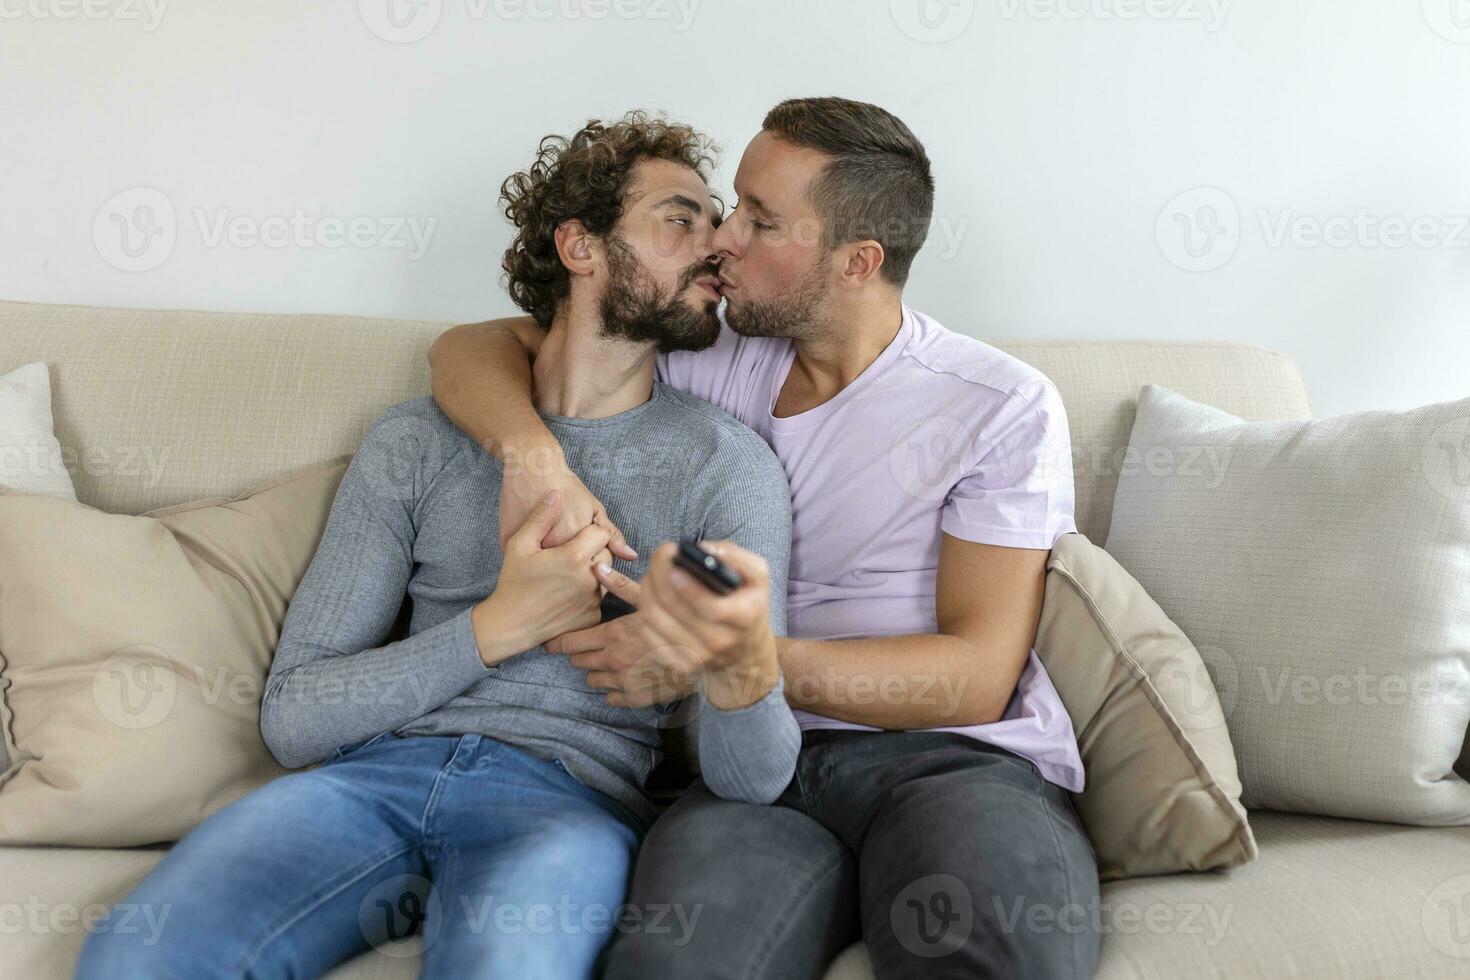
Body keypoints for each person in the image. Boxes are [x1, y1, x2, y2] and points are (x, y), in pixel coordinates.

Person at [77, 111, 799, 980]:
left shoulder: (729, 467)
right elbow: (296, 716)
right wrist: (502, 624)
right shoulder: (417, 442)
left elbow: (753, 780)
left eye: (713, 221)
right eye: (680, 218)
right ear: (582, 247)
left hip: (567, 803)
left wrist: (737, 661)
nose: (717, 244)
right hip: (363, 783)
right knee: (138, 955)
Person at [426, 96, 1102, 979]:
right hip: (752, 767)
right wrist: (533, 458)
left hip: (953, 765)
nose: (723, 239)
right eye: (732, 205)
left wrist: (733, 658)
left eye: (759, 219)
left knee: (992, 955)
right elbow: (468, 348)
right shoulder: (710, 349)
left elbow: (976, 677)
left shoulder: (995, 404)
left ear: (857, 261)